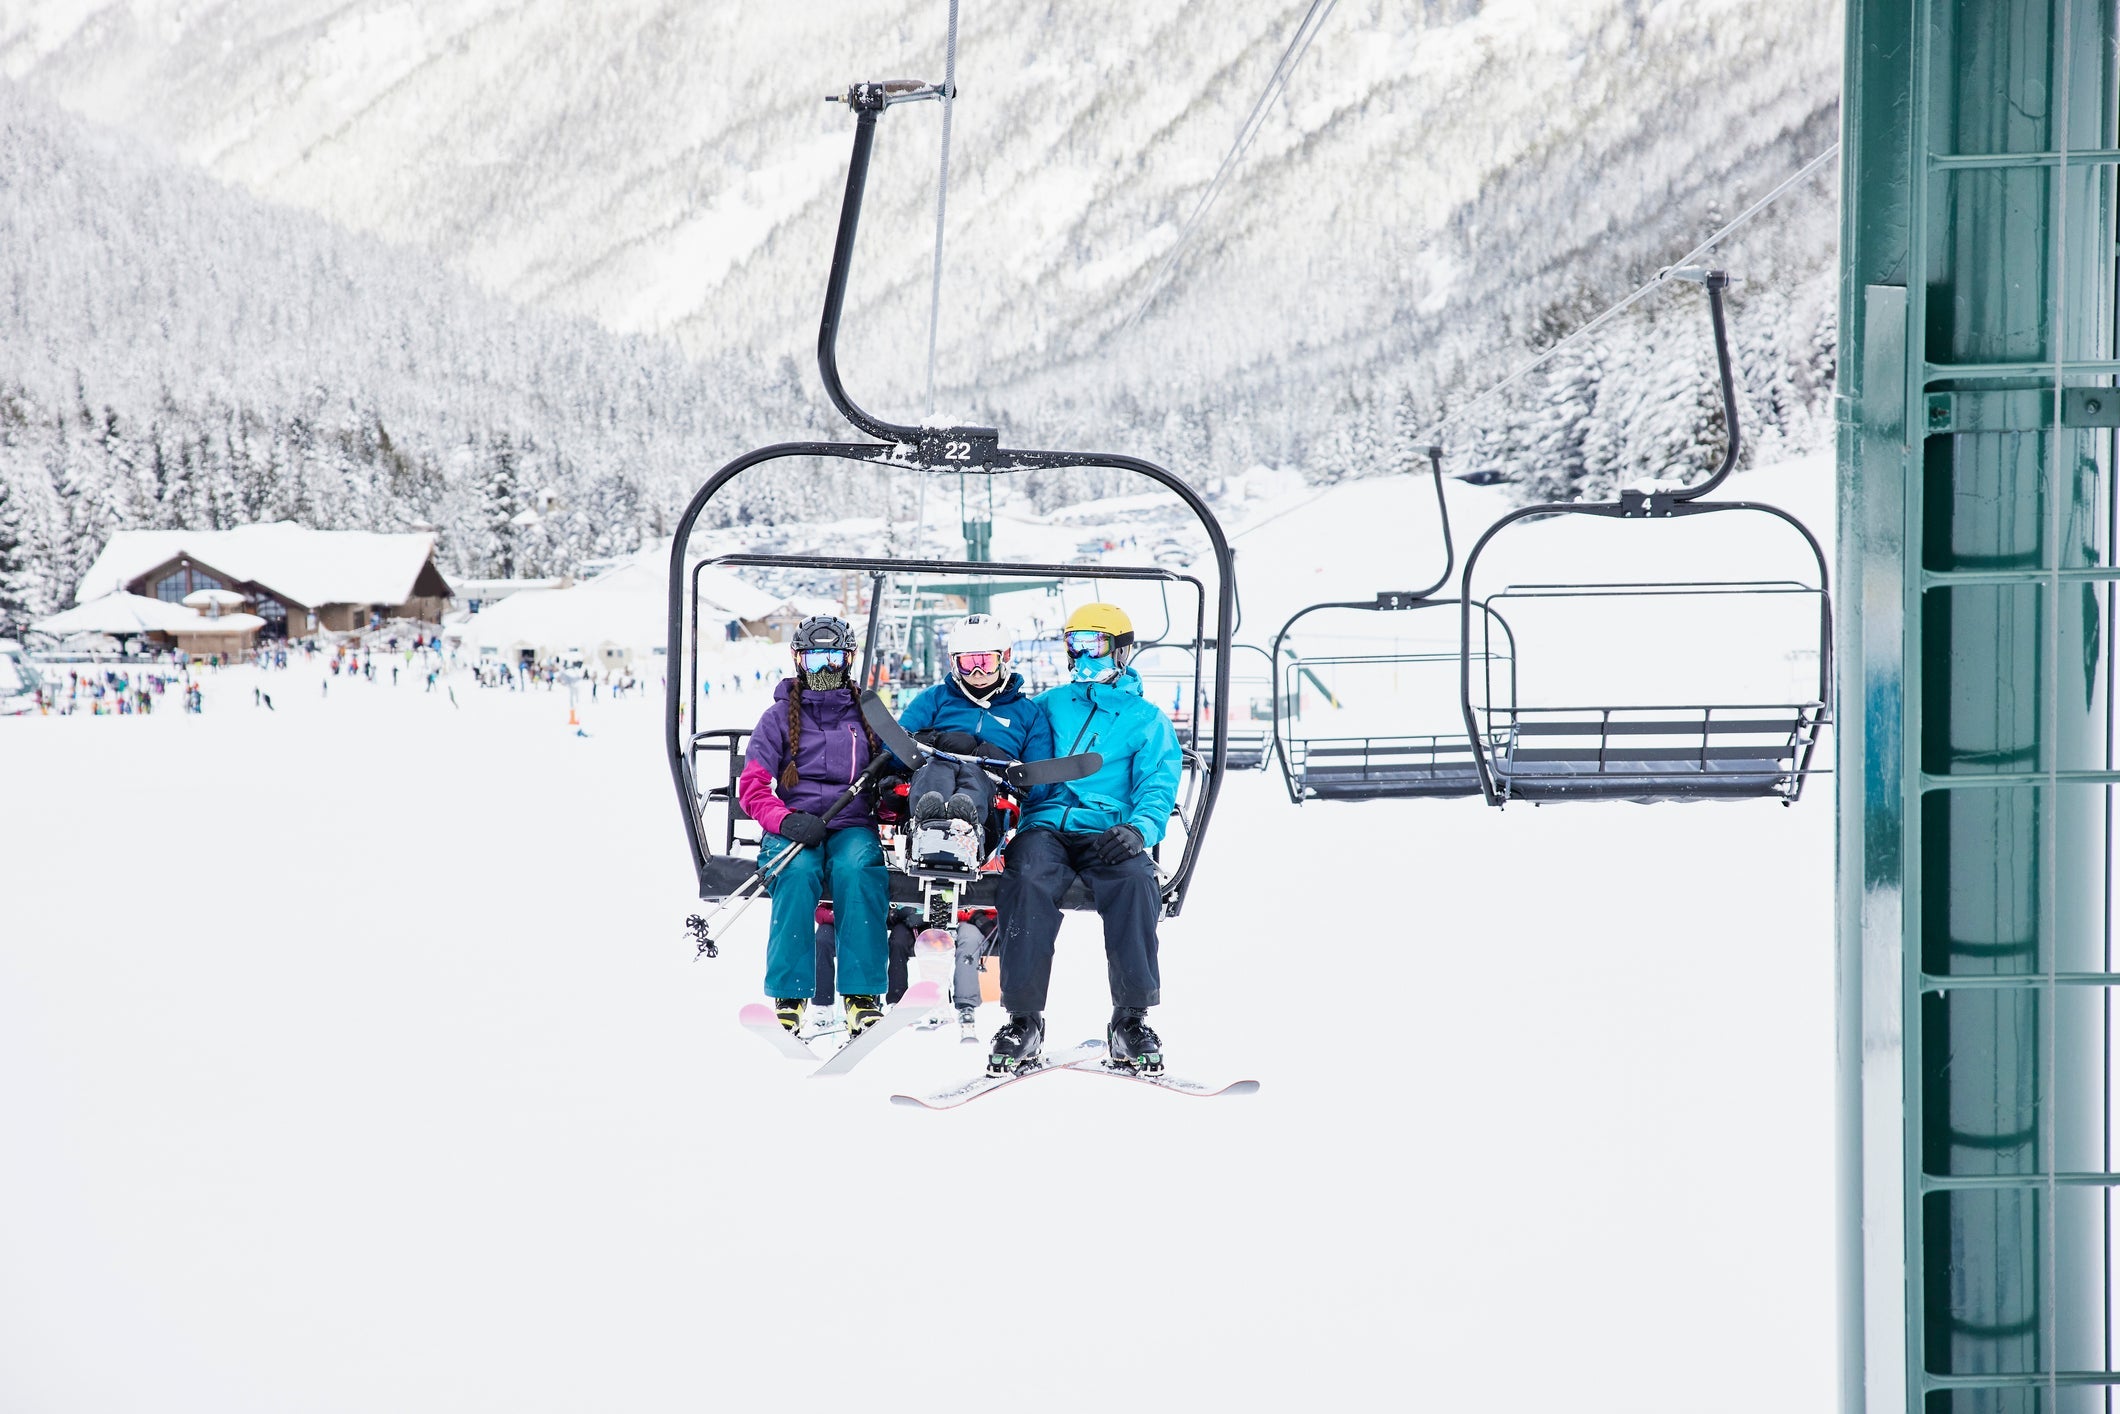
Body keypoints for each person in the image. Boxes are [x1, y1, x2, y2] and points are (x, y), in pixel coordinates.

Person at [989, 603, 1181, 1075]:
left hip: (1109, 831)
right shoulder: (1049, 705)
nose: (1080, 655)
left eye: (1092, 645)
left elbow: (1158, 783)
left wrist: (1139, 830)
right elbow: (1009, 749)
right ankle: (1023, 1019)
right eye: (1072, 644)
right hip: (1047, 826)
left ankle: (1130, 1019)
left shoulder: (1146, 720)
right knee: (1027, 876)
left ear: (1122, 651)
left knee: (1137, 882)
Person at [734, 615, 891, 1037]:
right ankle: (790, 995)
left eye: (833, 658)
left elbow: (897, 767)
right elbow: (752, 786)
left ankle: (861, 995)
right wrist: (785, 820)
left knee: (857, 869)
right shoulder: (778, 718)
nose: (824, 668)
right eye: (815, 658)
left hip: (852, 822)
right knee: (798, 871)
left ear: (848, 660)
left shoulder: (869, 714)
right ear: (798, 660)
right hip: (796, 825)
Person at [890, 614, 1043, 876]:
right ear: (953, 662)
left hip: (991, 789)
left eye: (985, 662)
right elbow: (894, 750)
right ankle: (928, 821)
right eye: (968, 663)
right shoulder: (934, 699)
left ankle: (965, 825)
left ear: (1004, 657)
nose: (977, 673)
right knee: (937, 769)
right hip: (933, 764)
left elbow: (1040, 783)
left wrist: (1004, 764)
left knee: (974, 775)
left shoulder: (1027, 713)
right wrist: (934, 740)